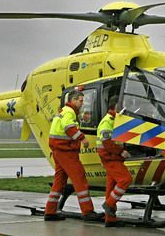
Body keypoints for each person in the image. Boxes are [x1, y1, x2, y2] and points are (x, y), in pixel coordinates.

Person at [44, 90, 103, 221]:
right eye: (81, 101)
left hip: (59, 150)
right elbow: (69, 127)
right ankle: (87, 211)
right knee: (79, 177)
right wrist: (83, 138)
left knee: (59, 181)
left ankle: (50, 211)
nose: (82, 104)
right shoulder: (69, 112)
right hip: (66, 150)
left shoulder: (64, 111)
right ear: (74, 100)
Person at [97, 97, 132, 227]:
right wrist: (120, 151)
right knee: (125, 179)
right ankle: (109, 204)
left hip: (112, 157)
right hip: (111, 157)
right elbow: (106, 142)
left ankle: (110, 219)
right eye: (121, 105)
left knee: (110, 188)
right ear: (114, 106)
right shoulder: (108, 121)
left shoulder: (114, 120)